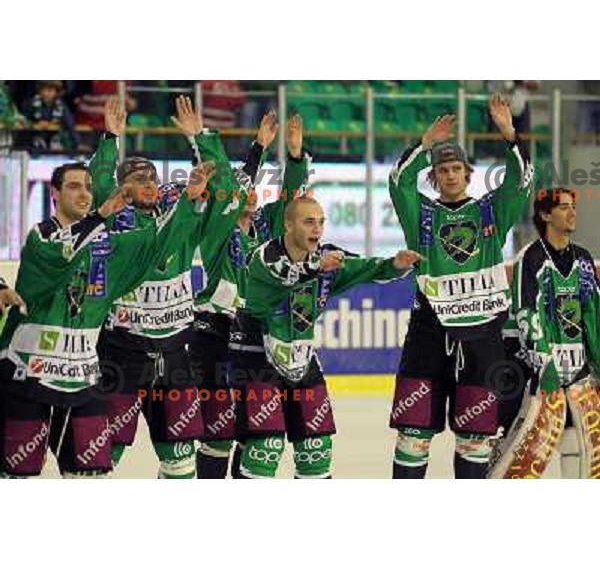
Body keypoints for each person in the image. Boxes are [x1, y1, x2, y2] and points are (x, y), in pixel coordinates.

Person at [0, 137, 213, 478]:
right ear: (53, 193)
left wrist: (188, 201)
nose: (84, 193)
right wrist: (100, 210)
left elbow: (156, 245)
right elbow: (61, 255)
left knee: (94, 475)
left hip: (82, 381)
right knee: (17, 477)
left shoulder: (110, 244)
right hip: (29, 377)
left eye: (87, 187)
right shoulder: (40, 237)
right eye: (73, 187)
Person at [90, 97, 242, 479]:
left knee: (180, 460)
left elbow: (223, 188)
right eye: (139, 179)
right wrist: (110, 138)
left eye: (154, 178)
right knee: (103, 454)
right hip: (123, 354)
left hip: (175, 356)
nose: (150, 184)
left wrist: (201, 139)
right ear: (120, 187)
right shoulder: (114, 223)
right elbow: (98, 184)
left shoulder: (182, 212)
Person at [387, 94, 534, 479]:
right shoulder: (422, 214)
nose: (450, 175)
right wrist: (424, 145)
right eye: (443, 169)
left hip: (482, 335)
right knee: (413, 434)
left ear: (468, 173)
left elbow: (521, 181)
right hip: (428, 333)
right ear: (433, 176)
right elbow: (398, 180)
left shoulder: (489, 211)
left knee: (476, 436)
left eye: (456, 168)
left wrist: (509, 135)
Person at [230, 196, 422, 479]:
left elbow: (367, 268)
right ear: (288, 224)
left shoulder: (327, 258)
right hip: (255, 359)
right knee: (265, 449)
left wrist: (395, 263)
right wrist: (318, 267)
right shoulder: (263, 256)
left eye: (321, 222)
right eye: (308, 222)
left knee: (316, 450)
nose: (316, 229)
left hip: (302, 360)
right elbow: (286, 275)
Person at [172, 98, 311, 478]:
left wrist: (294, 157)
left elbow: (293, 203)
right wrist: (201, 138)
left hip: (257, 336)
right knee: (217, 433)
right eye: (240, 190)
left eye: (253, 190)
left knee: (256, 431)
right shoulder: (219, 229)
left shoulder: (268, 228)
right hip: (215, 331)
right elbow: (223, 184)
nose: (249, 193)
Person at [488, 189, 600, 479]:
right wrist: (544, 363)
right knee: (521, 449)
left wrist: (597, 361)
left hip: (575, 369)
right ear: (545, 215)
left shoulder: (584, 259)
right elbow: (528, 312)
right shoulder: (531, 257)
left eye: (572, 206)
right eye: (564, 207)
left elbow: (592, 313)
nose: (572, 212)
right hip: (532, 368)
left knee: (576, 441)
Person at [22, 81, 78, 151]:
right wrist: (35, 125)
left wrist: (77, 143)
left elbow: (69, 124)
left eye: (51, 90)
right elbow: (23, 122)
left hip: (57, 139)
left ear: (56, 92)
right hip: (34, 138)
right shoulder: (31, 104)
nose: (47, 93)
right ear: (40, 91)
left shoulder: (61, 106)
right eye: (45, 89)